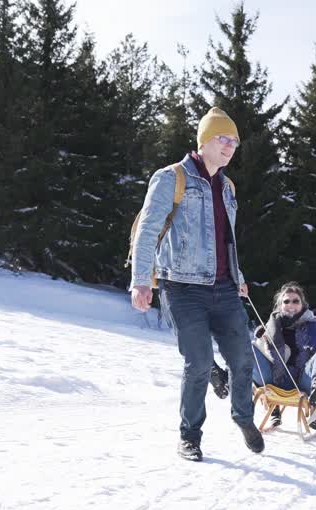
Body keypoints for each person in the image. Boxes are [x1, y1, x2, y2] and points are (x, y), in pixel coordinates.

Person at [129, 108, 263, 461]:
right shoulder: (172, 178)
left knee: (242, 357)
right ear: (203, 141)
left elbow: (227, 239)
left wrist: (240, 279)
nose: (230, 146)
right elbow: (147, 231)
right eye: (223, 139)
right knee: (199, 362)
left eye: (234, 141)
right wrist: (142, 281)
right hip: (182, 287)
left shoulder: (228, 186)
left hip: (224, 287)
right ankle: (189, 435)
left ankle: (244, 418)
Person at [252, 282, 316, 431]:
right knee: (248, 348)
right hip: (274, 378)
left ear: (302, 304)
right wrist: (261, 336)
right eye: (286, 301)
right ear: (280, 305)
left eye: (295, 301)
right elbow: (262, 351)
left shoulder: (314, 324)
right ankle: (273, 410)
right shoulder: (272, 324)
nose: (291, 304)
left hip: (303, 380)